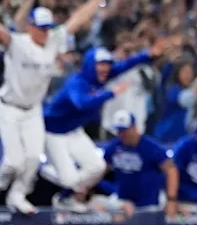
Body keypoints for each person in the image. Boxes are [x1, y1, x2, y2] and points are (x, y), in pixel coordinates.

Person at [0, 0, 113, 213]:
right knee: (13, 161)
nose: (44, 32)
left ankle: (17, 196)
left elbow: (78, 19)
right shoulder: (18, 43)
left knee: (32, 159)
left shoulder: (53, 40)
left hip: (32, 110)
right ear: (30, 27)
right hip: (8, 107)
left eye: (47, 28)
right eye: (40, 28)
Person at [41, 36, 176, 210]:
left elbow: (126, 64)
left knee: (97, 167)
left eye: (107, 64)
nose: (105, 68)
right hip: (53, 131)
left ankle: (67, 198)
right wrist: (110, 94)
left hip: (73, 130)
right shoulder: (77, 82)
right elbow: (82, 102)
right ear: (90, 65)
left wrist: (148, 55)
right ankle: (49, 172)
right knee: (70, 180)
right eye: (100, 64)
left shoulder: (102, 76)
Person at [102, 110, 179, 225]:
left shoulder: (150, 147)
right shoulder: (115, 147)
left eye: (125, 130)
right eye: (119, 131)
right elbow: (100, 170)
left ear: (134, 128)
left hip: (148, 205)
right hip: (123, 203)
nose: (122, 134)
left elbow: (171, 169)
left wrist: (171, 199)